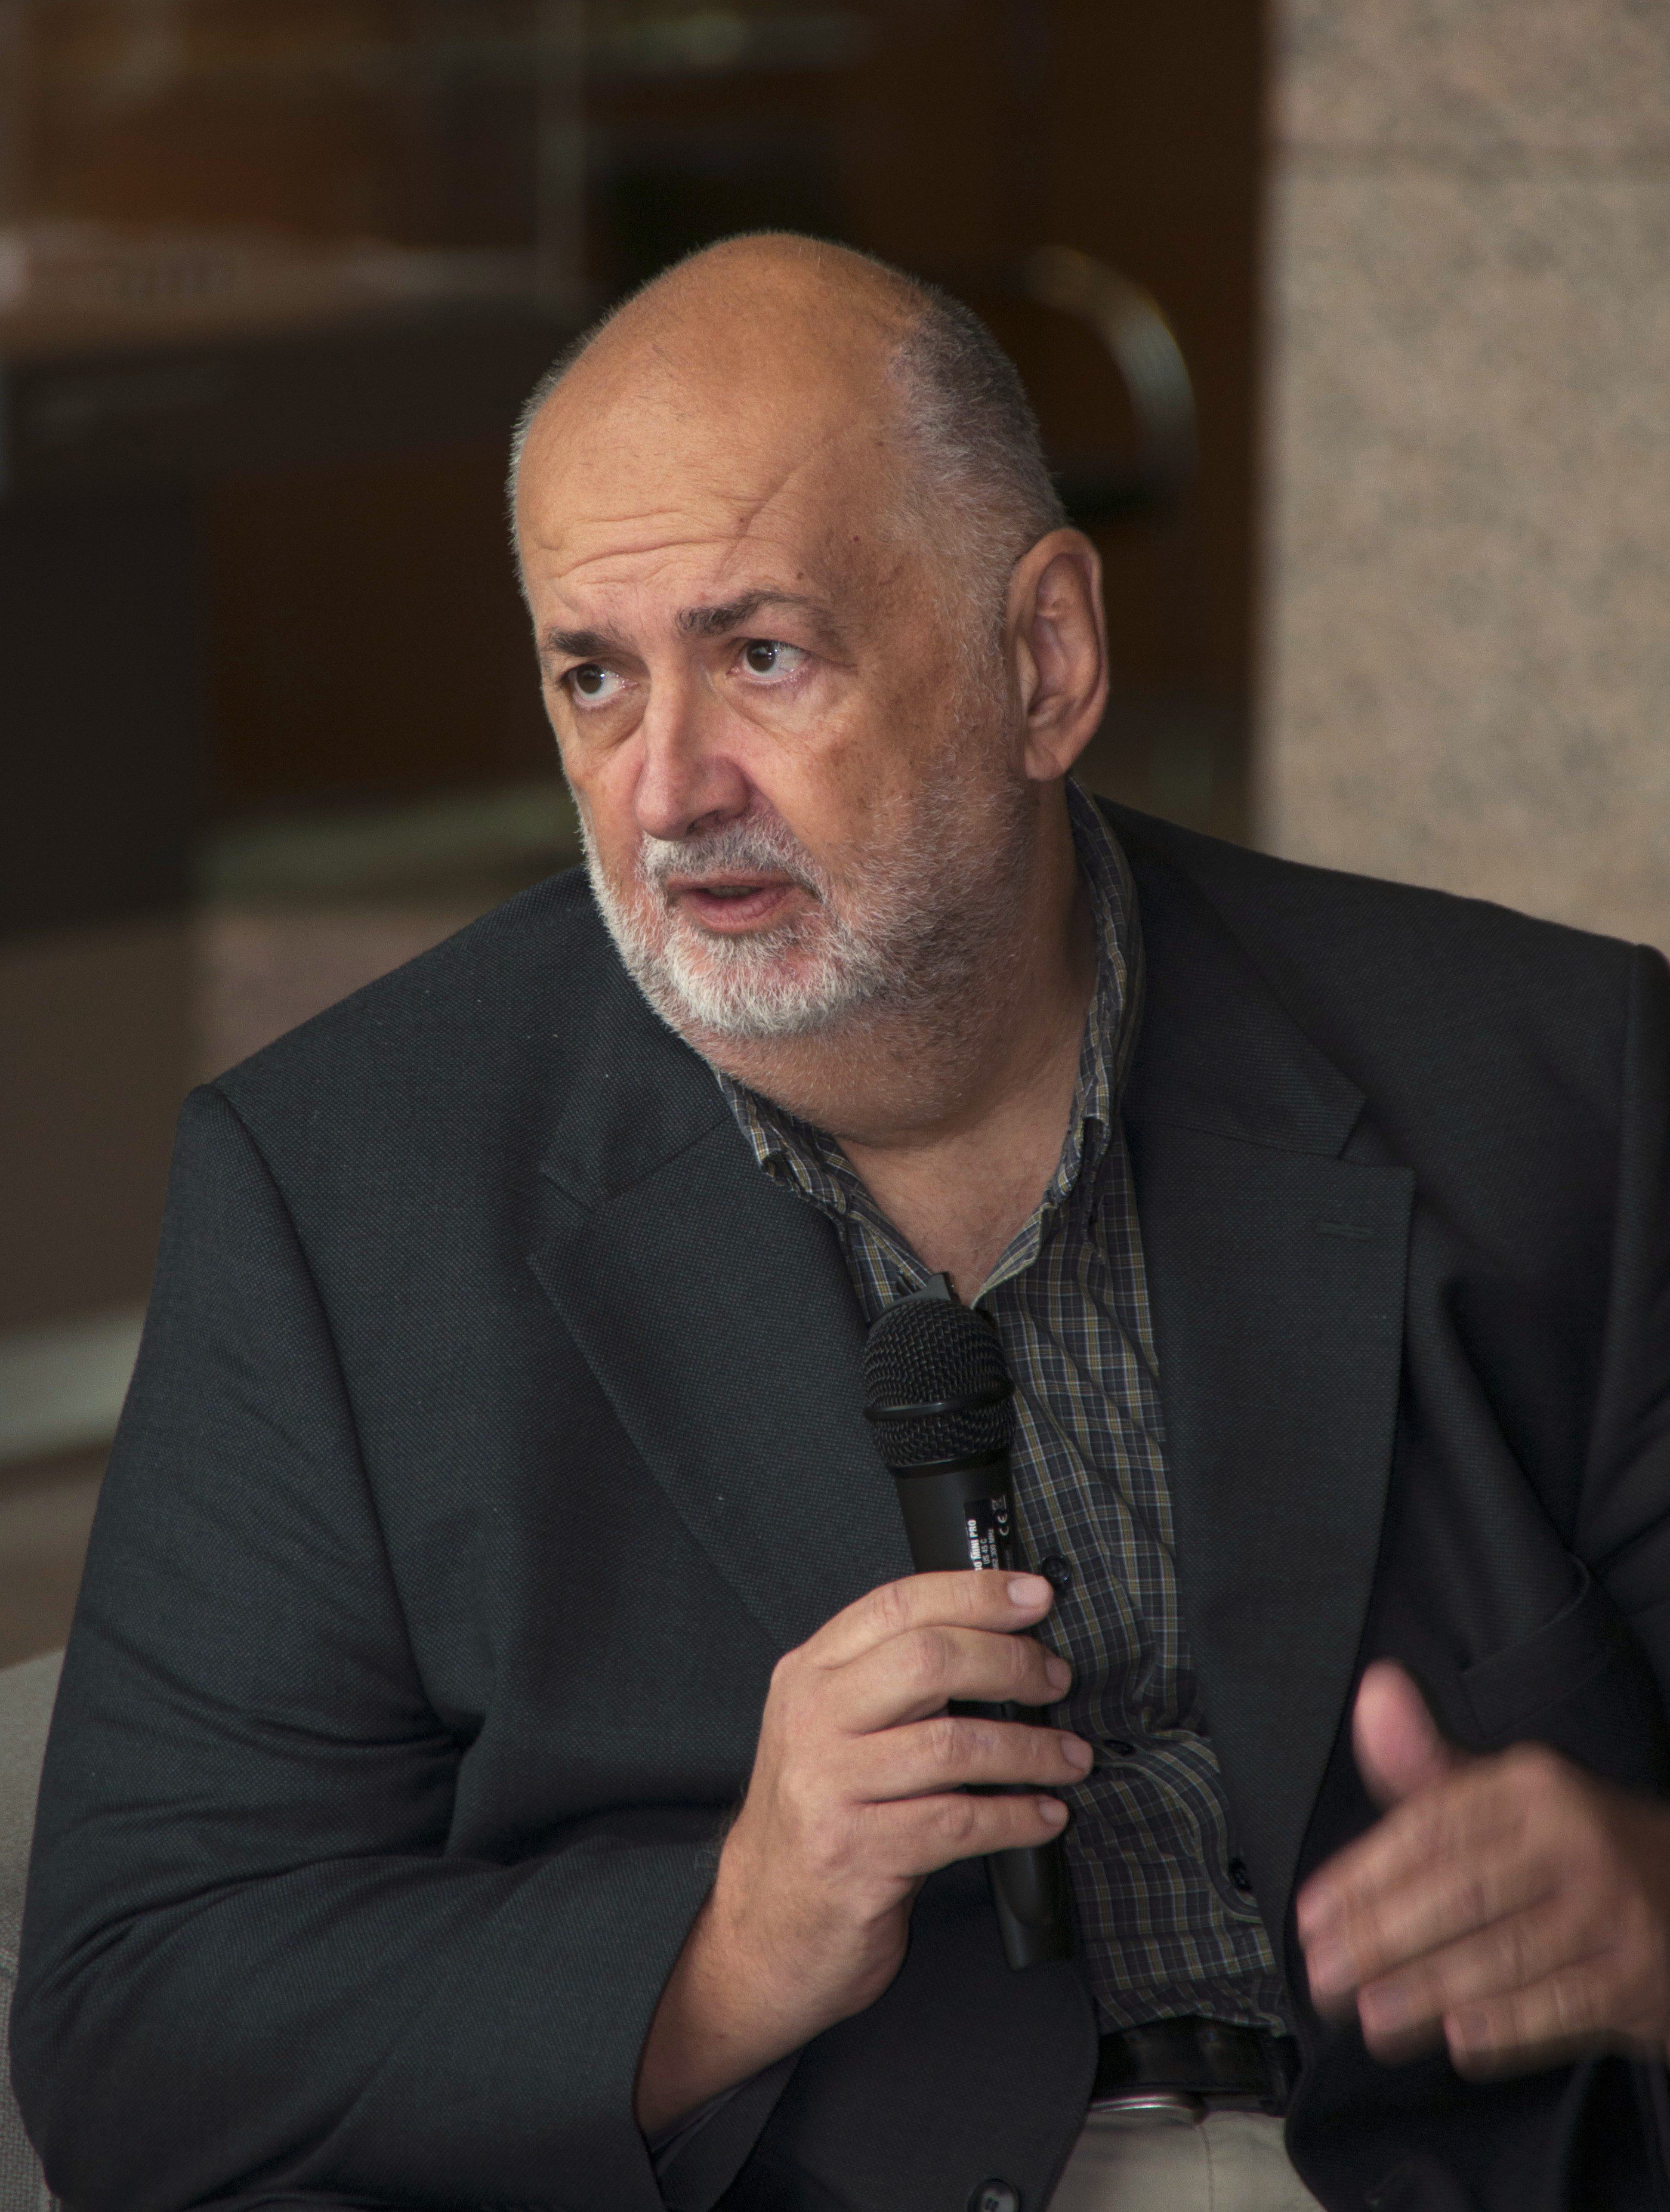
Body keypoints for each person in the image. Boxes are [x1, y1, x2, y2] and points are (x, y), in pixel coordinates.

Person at [12, 233, 1670, 2212]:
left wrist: (1657, 1904)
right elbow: (135, 2017)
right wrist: (725, 1950)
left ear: (1043, 661)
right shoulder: (343, 1193)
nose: (665, 789)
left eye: (763, 654)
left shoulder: (1557, 1082)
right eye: (594, 674)